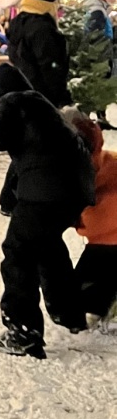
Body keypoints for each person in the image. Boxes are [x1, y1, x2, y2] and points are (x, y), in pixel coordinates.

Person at [0, 62, 95, 359]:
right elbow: (22, 163)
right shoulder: (43, 109)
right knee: (48, 248)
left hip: (45, 194)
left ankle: (23, 332)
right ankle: (70, 313)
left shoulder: (13, 101)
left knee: (18, 254)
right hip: (73, 192)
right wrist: (8, 202)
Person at [69, 112, 117, 331]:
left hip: (106, 242)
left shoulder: (74, 172)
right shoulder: (108, 160)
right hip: (102, 242)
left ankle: (104, 307)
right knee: (82, 295)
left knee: (86, 296)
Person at [5, 0, 72, 106]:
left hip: (22, 92)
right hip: (43, 98)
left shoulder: (18, 22)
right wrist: (60, 98)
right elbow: (50, 67)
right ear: (46, 3)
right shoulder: (42, 28)